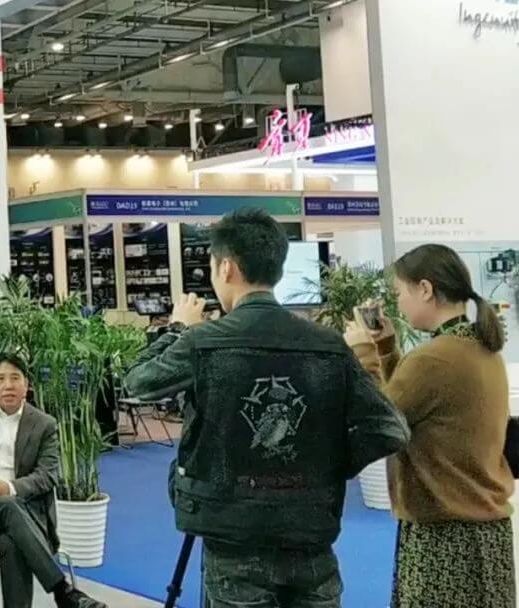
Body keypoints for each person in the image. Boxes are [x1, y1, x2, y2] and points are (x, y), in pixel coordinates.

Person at [124, 208, 410, 608]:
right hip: (310, 533)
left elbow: (137, 382)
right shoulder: (328, 345)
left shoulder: (204, 341)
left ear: (226, 268)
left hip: (232, 534)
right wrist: (329, 465)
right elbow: (390, 429)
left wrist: (177, 328)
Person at [345, 244, 515, 608]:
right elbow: (413, 405)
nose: (399, 303)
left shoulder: (434, 358)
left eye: (400, 293)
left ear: (424, 289)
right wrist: (387, 350)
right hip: (482, 528)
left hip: (445, 536)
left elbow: (379, 419)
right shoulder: (477, 348)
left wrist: (362, 354)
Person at [0, 354, 106, 608]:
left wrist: (9, 487)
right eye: (0, 379)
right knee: (7, 506)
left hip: (27, 516)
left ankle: (59, 593)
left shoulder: (44, 424)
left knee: (11, 540)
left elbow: (48, 475)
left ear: (26, 385)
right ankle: (62, 591)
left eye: (15, 378)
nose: (8, 385)